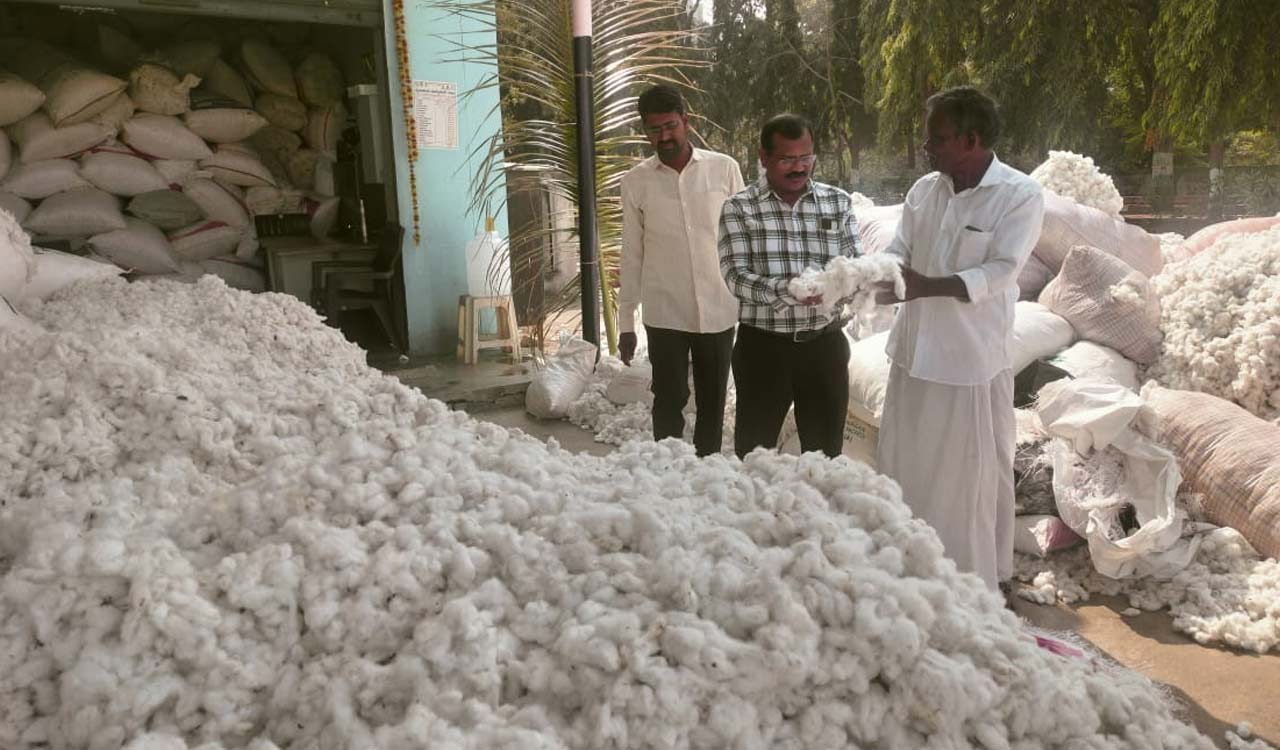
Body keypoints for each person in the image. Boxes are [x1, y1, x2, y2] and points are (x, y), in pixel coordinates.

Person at [874, 86, 1045, 591]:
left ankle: (970, 582)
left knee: (966, 482)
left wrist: (928, 286)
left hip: (967, 362)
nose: (928, 148)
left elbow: (1002, 270)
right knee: (907, 467)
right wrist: (879, 276)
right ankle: (911, 568)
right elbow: (900, 248)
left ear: (972, 139)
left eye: (938, 139)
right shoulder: (925, 190)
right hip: (912, 355)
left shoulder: (1019, 195)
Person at [718, 113, 861, 459]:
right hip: (764, 352)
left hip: (824, 348)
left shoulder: (837, 202)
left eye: (805, 157)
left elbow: (856, 265)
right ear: (764, 157)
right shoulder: (740, 208)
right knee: (756, 458)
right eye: (787, 159)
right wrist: (791, 291)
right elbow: (735, 275)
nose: (799, 168)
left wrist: (842, 286)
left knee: (825, 458)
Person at [617, 84, 745, 457]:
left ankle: (706, 475)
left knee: (712, 403)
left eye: (670, 125)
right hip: (665, 311)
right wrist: (626, 322)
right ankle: (668, 474)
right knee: (668, 401)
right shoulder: (636, 182)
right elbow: (631, 254)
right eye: (654, 129)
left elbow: (742, 239)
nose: (664, 136)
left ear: (686, 122)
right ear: (644, 131)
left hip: (718, 311)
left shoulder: (724, 170)